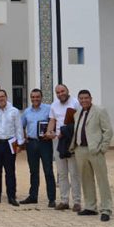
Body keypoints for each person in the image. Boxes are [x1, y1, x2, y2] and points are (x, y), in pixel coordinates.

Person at [69, 90, 114, 222]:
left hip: (95, 150)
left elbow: (108, 131)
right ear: (78, 100)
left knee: (102, 180)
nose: (84, 100)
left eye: (86, 98)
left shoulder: (99, 111)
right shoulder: (77, 113)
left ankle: (106, 209)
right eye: (81, 98)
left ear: (91, 98)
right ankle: (90, 206)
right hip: (80, 150)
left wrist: (103, 148)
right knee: (86, 179)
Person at [46, 84, 82, 212]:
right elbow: (52, 121)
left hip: (72, 141)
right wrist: (49, 131)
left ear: (67, 91)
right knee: (61, 173)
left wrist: (67, 132)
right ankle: (64, 200)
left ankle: (77, 202)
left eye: (62, 91)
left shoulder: (75, 103)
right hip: (58, 141)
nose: (60, 94)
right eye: (58, 92)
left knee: (74, 173)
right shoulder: (54, 105)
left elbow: (80, 122)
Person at [20, 89, 56, 207]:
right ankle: (33, 196)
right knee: (33, 171)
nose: (35, 99)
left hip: (45, 143)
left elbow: (54, 122)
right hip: (31, 143)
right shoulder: (26, 111)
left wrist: (50, 133)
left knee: (48, 171)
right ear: (30, 98)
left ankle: (52, 199)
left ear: (41, 97)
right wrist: (24, 137)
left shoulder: (48, 109)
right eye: (33, 97)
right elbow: (21, 126)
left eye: (37, 97)